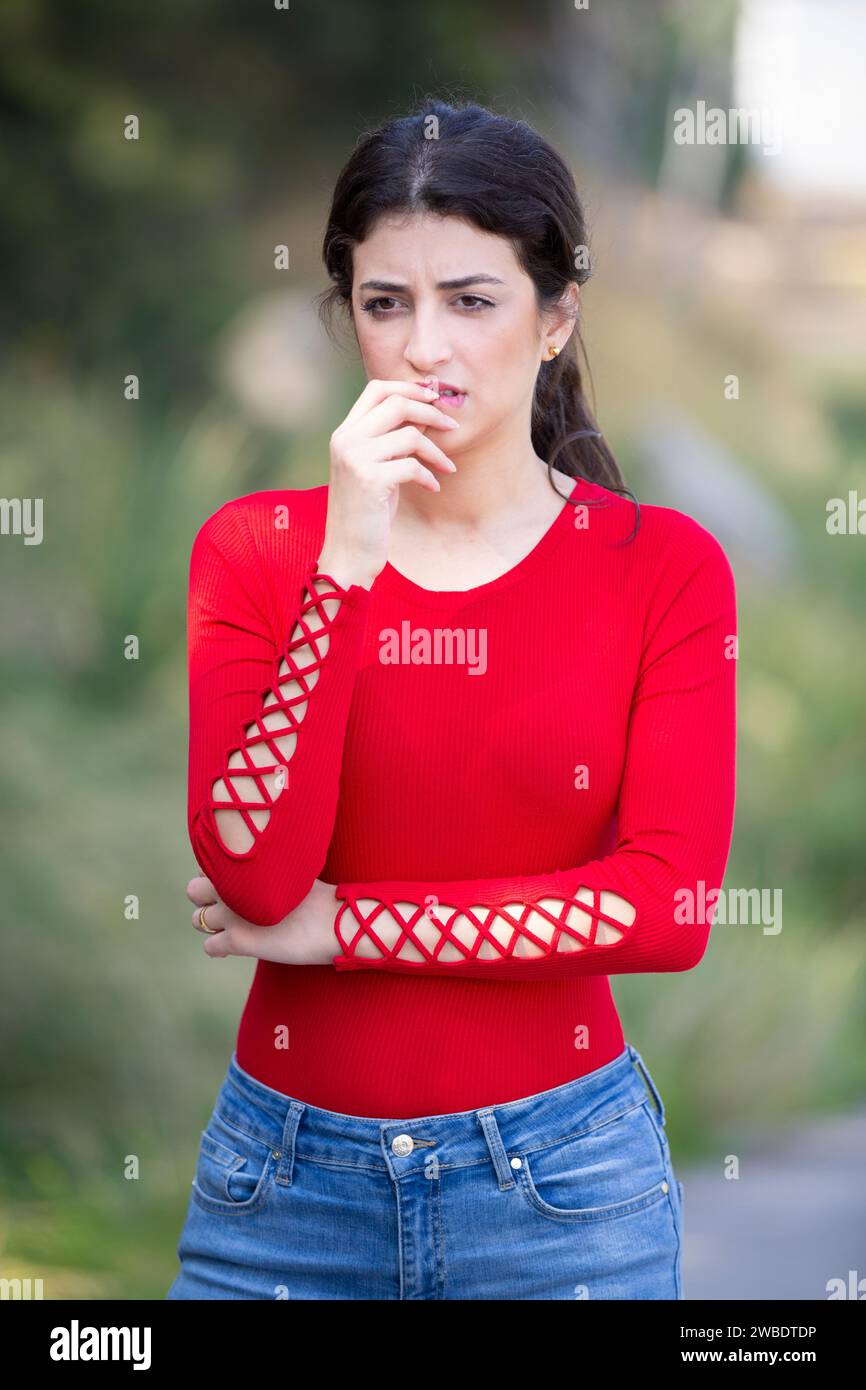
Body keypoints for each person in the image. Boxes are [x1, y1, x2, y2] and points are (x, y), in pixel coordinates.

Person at [166, 98, 737, 1300]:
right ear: (351, 321)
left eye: (471, 300)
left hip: (561, 1195)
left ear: (552, 318)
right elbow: (257, 876)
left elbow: (665, 905)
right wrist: (347, 566)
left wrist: (352, 928)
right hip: (281, 1196)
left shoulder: (664, 568)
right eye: (386, 303)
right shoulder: (257, 552)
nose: (425, 348)